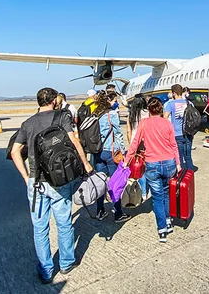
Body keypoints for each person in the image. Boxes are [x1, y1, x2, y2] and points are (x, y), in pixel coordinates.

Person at [10, 87, 93, 284]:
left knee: (40, 228)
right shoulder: (62, 117)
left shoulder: (27, 123)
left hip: (36, 181)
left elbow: (15, 152)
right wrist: (86, 163)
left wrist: (25, 176)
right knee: (64, 223)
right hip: (60, 179)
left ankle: (46, 270)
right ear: (54, 101)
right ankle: (66, 262)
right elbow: (75, 141)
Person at [125, 96, 181, 243]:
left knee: (157, 197)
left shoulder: (144, 124)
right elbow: (174, 144)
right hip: (169, 163)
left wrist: (126, 161)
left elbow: (135, 144)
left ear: (149, 110)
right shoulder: (167, 124)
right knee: (167, 194)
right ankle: (169, 220)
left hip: (152, 164)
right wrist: (178, 163)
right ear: (161, 109)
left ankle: (162, 229)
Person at [93, 92, 130, 222]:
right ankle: (118, 212)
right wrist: (123, 152)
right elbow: (118, 134)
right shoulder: (112, 114)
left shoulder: (96, 114)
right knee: (115, 183)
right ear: (109, 101)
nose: (116, 102)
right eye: (115, 100)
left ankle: (100, 210)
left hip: (98, 151)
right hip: (110, 151)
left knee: (100, 183)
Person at [164, 84, 193, 170]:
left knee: (178, 157)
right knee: (188, 156)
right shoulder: (189, 103)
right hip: (188, 133)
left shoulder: (171, 104)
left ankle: (181, 176)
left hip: (177, 134)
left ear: (174, 93)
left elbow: (165, 117)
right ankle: (190, 175)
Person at [127, 94, 149, 199]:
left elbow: (129, 131)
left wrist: (131, 143)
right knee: (146, 166)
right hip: (146, 141)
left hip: (135, 142)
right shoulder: (147, 113)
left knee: (138, 167)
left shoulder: (131, 114)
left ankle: (140, 191)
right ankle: (145, 192)